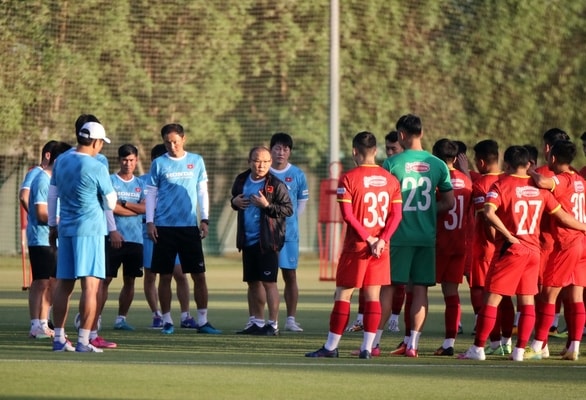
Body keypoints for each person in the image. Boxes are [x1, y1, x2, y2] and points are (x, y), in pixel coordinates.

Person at [458, 145, 586, 361]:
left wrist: (507, 235)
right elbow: (563, 217)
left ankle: (478, 349)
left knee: (491, 300)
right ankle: (519, 351)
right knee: (527, 301)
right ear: (528, 164)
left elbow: (488, 213)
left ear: (506, 165)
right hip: (533, 251)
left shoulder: (500, 185)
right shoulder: (541, 190)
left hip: (511, 250)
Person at [305, 131, 402, 358]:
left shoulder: (348, 178)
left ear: (354, 151)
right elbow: (396, 216)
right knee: (373, 297)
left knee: (343, 295)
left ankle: (330, 347)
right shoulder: (391, 180)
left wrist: (368, 239)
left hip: (357, 247)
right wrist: (382, 240)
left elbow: (348, 216)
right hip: (381, 248)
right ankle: (367, 348)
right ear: (376, 151)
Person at [381, 114, 454, 358]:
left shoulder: (392, 164)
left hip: (398, 237)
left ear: (401, 135)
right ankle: (412, 345)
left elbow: (384, 202)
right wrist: (430, 211)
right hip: (426, 237)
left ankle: (374, 342)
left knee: (389, 288)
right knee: (421, 290)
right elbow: (448, 201)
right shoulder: (438, 165)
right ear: (421, 133)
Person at [146, 123, 221, 335]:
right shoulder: (159, 164)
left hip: (189, 227)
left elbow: (202, 191)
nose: (172, 146)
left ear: (183, 139)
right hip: (164, 227)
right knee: (165, 275)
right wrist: (150, 222)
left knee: (198, 275)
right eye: (167, 142)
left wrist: (204, 219)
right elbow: (151, 193)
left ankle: (203, 321)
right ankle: (167, 320)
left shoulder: (196, 161)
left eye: (175, 141)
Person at [48, 121, 117, 353]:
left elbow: (52, 194)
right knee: (91, 286)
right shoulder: (96, 165)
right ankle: (83, 340)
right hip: (91, 230)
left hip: (65, 228)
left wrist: (51, 225)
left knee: (64, 284)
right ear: (96, 142)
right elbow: (111, 201)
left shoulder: (61, 160)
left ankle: (58, 338)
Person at [528, 140, 586, 361]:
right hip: (581, 243)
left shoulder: (562, 180)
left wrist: (530, 170)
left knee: (548, 295)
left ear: (552, 158)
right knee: (576, 296)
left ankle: (538, 345)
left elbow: (543, 181)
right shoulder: (581, 180)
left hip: (567, 243)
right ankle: (574, 346)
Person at [231, 146, 293, 336]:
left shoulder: (275, 184)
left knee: (269, 283)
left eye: (266, 161)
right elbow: (234, 198)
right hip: (248, 241)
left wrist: (267, 205)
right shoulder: (241, 180)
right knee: (252, 282)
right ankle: (255, 322)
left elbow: (287, 209)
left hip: (268, 242)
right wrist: (234, 202)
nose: (262, 165)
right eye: (258, 161)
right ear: (250, 161)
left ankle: (272, 325)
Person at [140, 144, 193, 329]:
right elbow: (142, 204)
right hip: (150, 234)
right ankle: (157, 314)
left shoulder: (176, 179)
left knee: (179, 273)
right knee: (151, 275)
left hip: (172, 231)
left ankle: (186, 315)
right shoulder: (144, 181)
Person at [432, 139, 473, 356]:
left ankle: (410, 341)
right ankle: (449, 342)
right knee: (452, 294)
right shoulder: (467, 182)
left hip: (438, 243)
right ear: (456, 159)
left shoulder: (437, 180)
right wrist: (466, 173)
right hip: (459, 244)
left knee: (416, 289)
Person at [467, 139, 509, 353]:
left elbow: (487, 219)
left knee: (482, 294)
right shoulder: (506, 179)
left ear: (481, 162)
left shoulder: (481, 185)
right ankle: (507, 341)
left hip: (486, 248)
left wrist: (497, 241)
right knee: (506, 296)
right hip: (509, 247)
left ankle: (492, 342)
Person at [27, 141, 71, 339]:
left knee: (53, 282)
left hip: (55, 240)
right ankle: (35, 324)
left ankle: (44, 323)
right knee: (41, 282)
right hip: (41, 239)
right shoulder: (42, 179)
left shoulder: (56, 181)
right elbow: (42, 213)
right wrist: (65, 222)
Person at [268, 133, 309, 332]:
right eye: (277, 148)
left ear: (289, 152)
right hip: (267, 234)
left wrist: (290, 220)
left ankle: (291, 319)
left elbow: (302, 202)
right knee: (266, 277)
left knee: (290, 275)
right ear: (271, 150)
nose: (281, 152)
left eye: (285, 149)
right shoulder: (263, 172)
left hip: (289, 234)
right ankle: (265, 319)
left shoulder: (298, 174)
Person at [106, 144, 146, 331]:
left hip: (135, 239)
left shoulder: (141, 184)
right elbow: (110, 207)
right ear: (119, 160)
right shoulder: (110, 181)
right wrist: (133, 208)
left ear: (136, 160)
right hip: (113, 237)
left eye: (131, 160)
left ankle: (121, 319)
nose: (128, 163)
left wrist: (122, 203)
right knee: (105, 279)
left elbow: (145, 208)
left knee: (130, 280)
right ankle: (94, 316)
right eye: (124, 160)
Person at [19, 141, 59, 214]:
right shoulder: (36, 173)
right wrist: (36, 216)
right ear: (48, 155)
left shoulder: (49, 176)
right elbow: (24, 197)